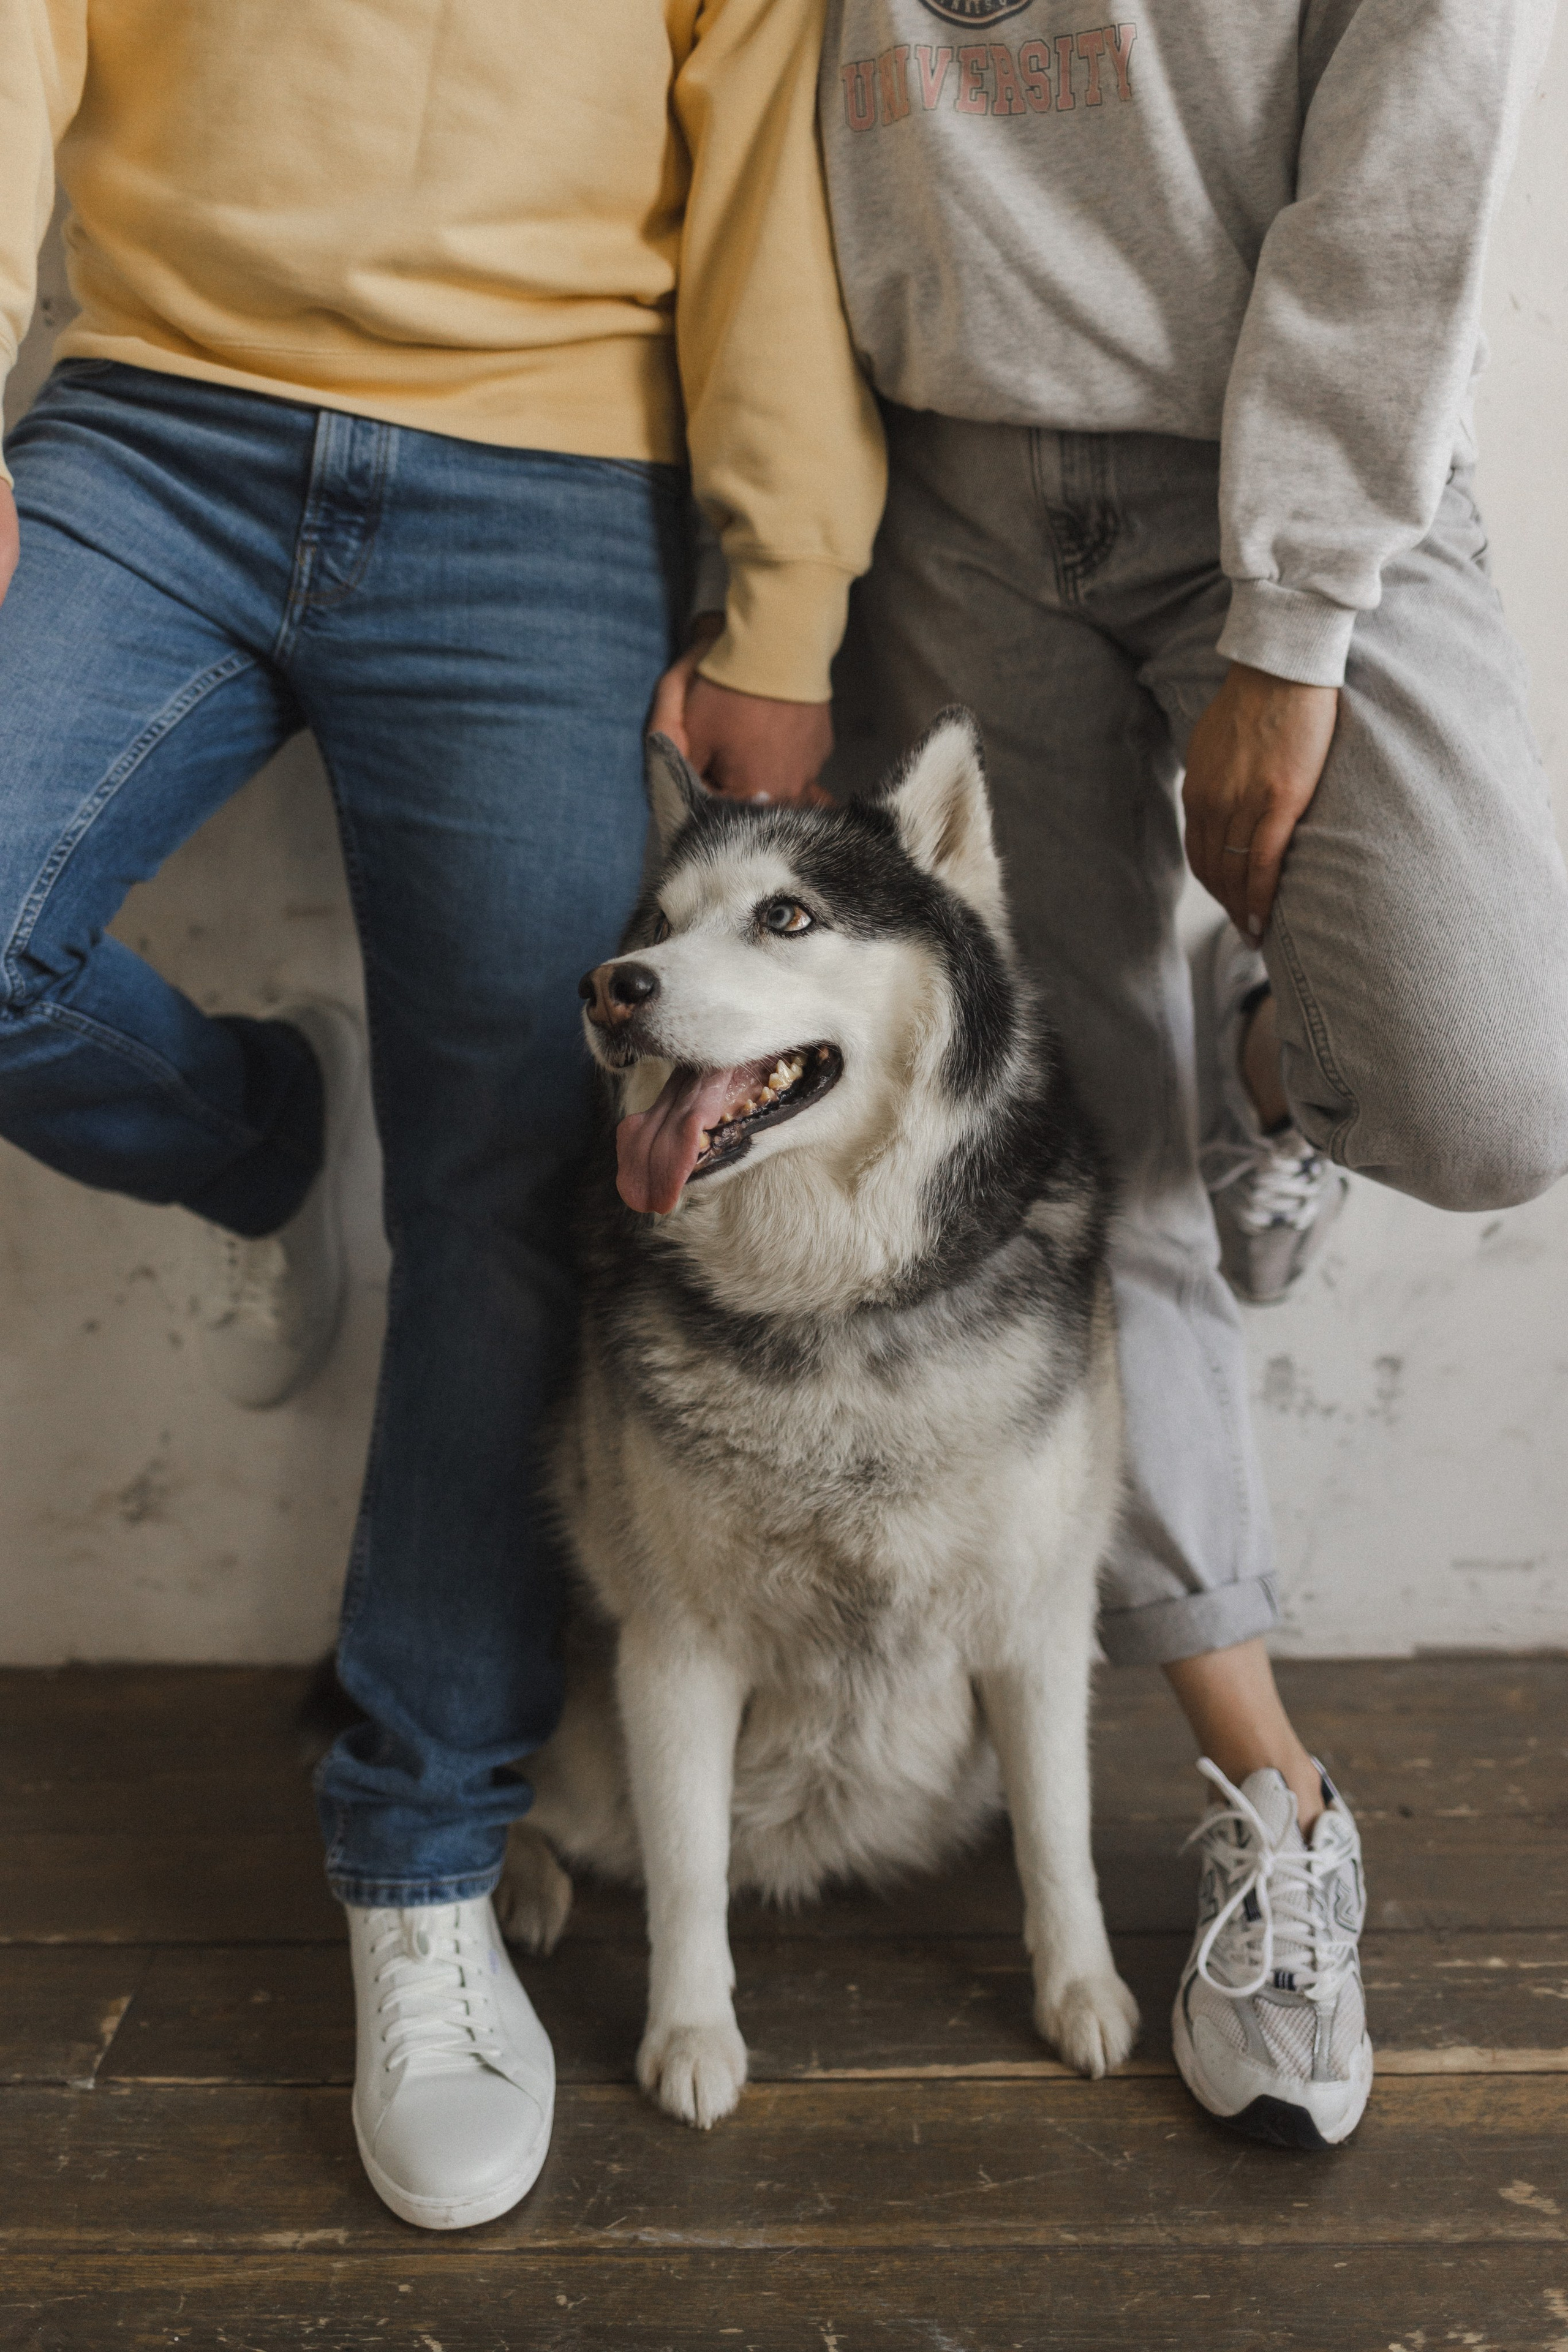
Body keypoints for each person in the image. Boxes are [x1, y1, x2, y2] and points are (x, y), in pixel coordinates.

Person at [0, 0, 883, 2227]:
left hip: (550, 474)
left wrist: (784, 590)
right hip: (148, 432)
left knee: (512, 1184)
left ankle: (421, 1864)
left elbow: (773, 142)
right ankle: (256, 1135)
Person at [799, 0, 1568, 2147]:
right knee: (1062, 1165)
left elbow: (1434, 93)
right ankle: (1270, 1790)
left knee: (1484, 1087)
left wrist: (1293, 624)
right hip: (937, 467)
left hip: (1289, 446)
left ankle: (1263, 1066)